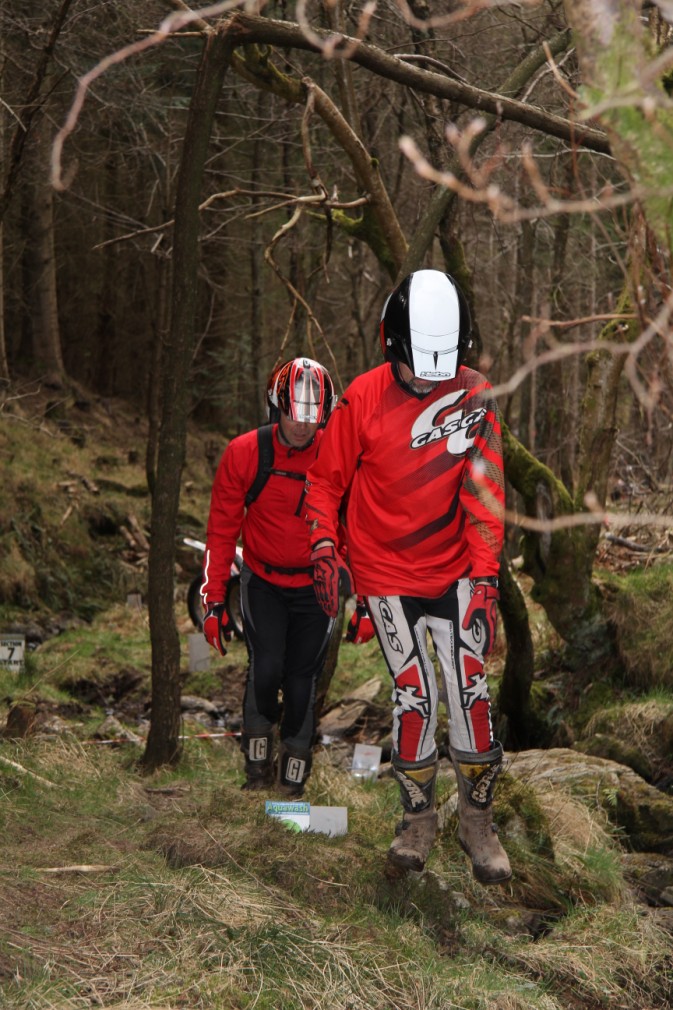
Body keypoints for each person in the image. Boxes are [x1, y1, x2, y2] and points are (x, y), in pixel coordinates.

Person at [305, 269, 511, 884]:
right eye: (418, 369)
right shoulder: (361, 399)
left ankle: (477, 821)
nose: (427, 381)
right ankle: (418, 821)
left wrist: (486, 581)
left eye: (438, 369)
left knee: (470, 692)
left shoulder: (474, 394)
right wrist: (324, 545)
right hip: (385, 572)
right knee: (415, 696)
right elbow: (324, 482)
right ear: (391, 343)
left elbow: (486, 490)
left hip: (455, 567)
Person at [201, 356, 337, 795]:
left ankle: (291, 785)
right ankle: (256, 773)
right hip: (262, 581)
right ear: (275, 408)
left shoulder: (336, 454)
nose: (301, 427)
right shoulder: (244, 453)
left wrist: (367, 598)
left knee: (300, 682)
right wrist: (213, 601)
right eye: (292, 416)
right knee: (266, 669)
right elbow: (221, 530)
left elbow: (358, 525)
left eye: (311, 419)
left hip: (316, 586)